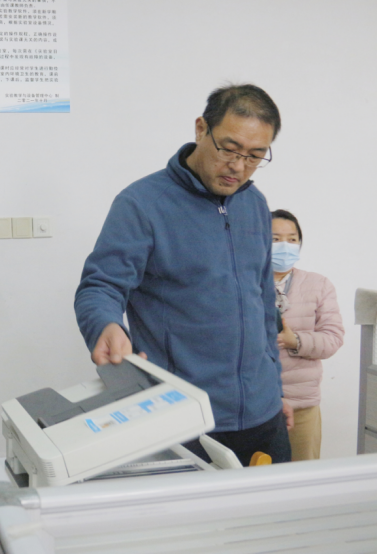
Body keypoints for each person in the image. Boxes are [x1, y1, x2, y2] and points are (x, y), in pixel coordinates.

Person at [74, 84, 294, 466]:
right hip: (185, 417)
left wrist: (275, 390)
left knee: (280, 506)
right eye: (229, 149)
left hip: (263, 414)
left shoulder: (255, 204)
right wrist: (105, 325)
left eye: (255, 156)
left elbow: (262, 305)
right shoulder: (142, 204)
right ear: (200, 129)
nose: (238, 166)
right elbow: (101, 286)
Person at [271, 209, 344, 461]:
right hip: (256, 406)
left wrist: (296, 341)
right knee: (256, 477)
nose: (285, 246)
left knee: (303, 474)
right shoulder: (241, 283)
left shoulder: (318, 284)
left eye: (292, 239)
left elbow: (333, 338)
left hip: (302, 404)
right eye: (275, 239)